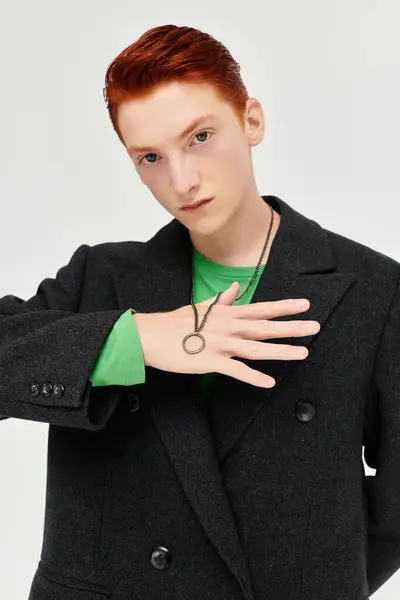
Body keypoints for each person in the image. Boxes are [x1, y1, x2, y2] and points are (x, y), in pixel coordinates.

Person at [1, 23, 399, 600]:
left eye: (200, 137)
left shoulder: (374, 289)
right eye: (149, 157)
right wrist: (138, 338)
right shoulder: (101, 277)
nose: (180, 180)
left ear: (251, 120)